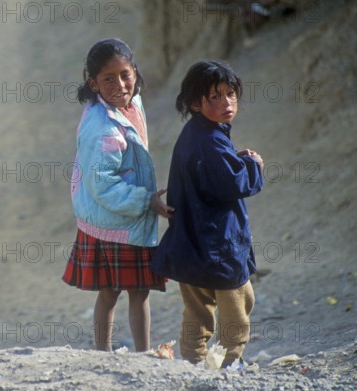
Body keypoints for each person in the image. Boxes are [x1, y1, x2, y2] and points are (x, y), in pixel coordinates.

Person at [61, 38, 173, 352]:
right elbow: (104, 185)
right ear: (92, 83)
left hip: (114, 217)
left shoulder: (130, 104)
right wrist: (145, 201)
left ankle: (139, 354)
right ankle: (109, 353)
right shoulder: (104, 129)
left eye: (125, 74)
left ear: (135, 72)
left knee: (134, 291)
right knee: (118, 291)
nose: (120, 84)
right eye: (108, 79)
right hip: (116, 219)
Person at [151, 60, 264, 367]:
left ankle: (192, 362)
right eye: (215, 97)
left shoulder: (197, 134)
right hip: (219, 246)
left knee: (198, 309)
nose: (227, 102)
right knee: (238, 306)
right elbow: (231, 184)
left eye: (231, 93)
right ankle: (229, 363)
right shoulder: (211, 141)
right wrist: (253, 165)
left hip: (190, 245)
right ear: (195, 103)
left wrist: (233, 157)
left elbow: (212, 171)